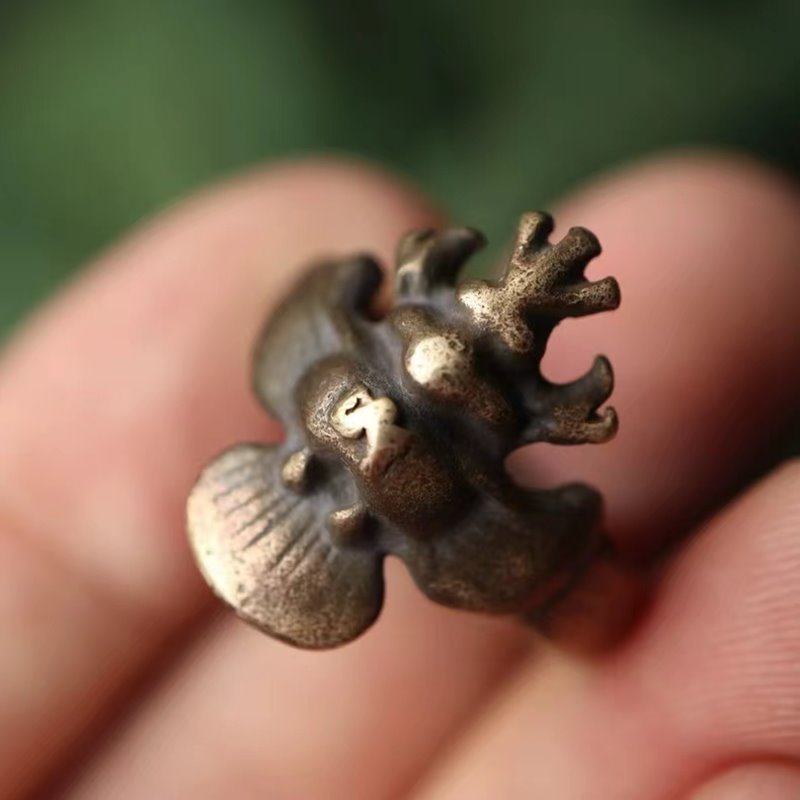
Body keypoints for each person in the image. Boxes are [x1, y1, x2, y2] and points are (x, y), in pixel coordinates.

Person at [1, 152, 799, 799]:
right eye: (340, 477)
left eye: (322, 458)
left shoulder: (310, 346)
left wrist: (592, 604)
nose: (366, 443)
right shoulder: (476, 539)